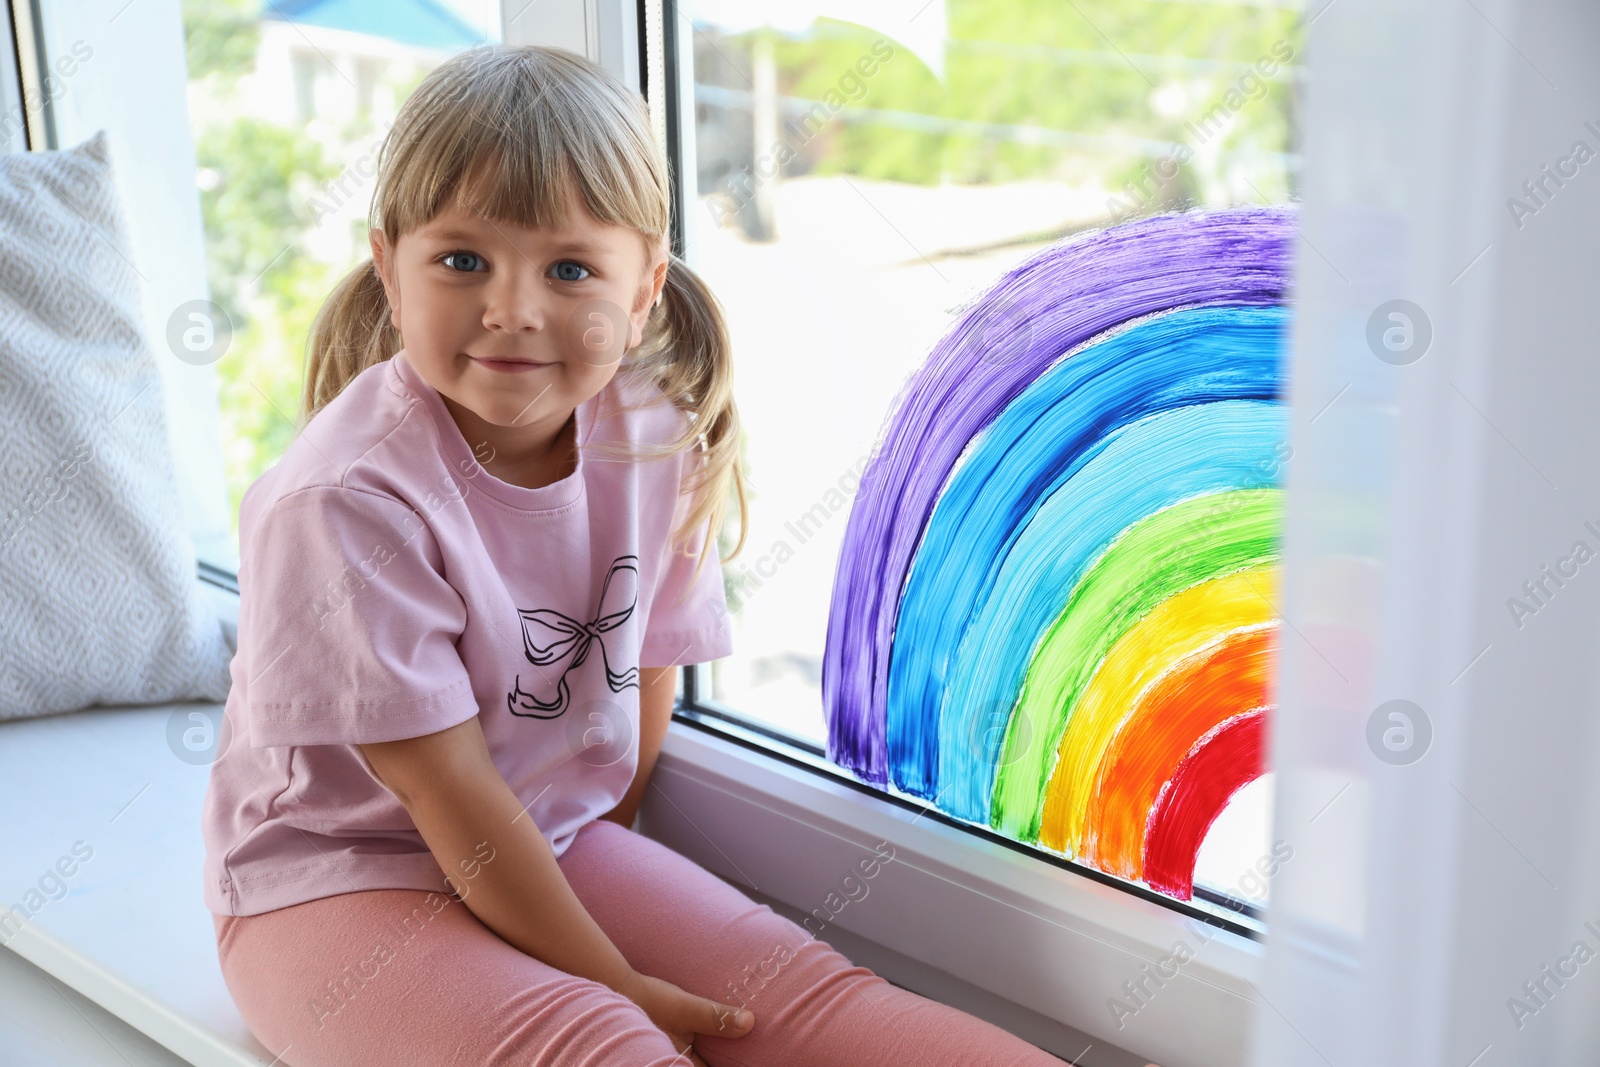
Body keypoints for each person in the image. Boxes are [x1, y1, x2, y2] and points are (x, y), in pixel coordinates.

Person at [199, 42, 1076, 1067]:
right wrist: (604, 975)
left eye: (569, 267)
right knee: (606, 1043)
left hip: (546, 840)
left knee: (800, 998)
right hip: (334, 885)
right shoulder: (343, 499)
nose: (514, 308)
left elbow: (647, 664)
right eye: (462, 259)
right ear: (389, 263)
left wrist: (594, 883)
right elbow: (448, 796)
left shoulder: (651, 431)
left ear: (646, 282)